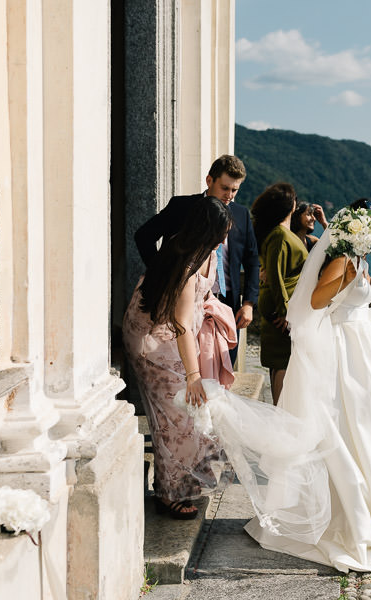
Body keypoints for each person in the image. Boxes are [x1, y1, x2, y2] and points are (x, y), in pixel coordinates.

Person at [244, 200, 371, 572]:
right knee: (347, 428)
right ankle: (349, 516)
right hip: (343, 351)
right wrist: (347, 278)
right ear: (357, 230)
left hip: (364, 348)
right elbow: (316, 300)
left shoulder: (359, 258)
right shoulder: (344, 261)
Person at [123, 196, 234, 519]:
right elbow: (181, 325)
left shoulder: (196, 249)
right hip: (154, 341)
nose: (225, 240)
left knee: (186, 412)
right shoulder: (185, 265)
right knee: (175, 415)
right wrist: (193, 375)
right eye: (221, 233)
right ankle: (168, 492)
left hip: (167, 332)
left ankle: (183, 479)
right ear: (207, 231)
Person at [134, 154, 259, 365]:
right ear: (209, 181)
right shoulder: (181, 206)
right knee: (187, 369)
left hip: (225, 306)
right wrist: (163, 276)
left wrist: (248, 303)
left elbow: (252, 259)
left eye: (235, 190)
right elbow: (143, 236)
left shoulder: (241, 214)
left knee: (222, 368)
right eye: (225, 188)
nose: (229, 195)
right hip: (184, 304)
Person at [250, 183, 308, 404]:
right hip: (281, 310)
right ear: (290, 205)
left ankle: (281, 412)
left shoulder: (281, 233)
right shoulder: (280, 235)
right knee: (282, 361)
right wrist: (286, 311)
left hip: (283, 306)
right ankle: (280, 413)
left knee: (281, 361)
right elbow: (275, 275)